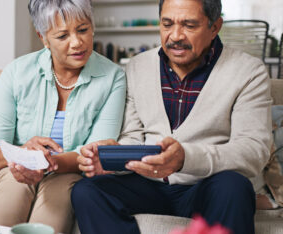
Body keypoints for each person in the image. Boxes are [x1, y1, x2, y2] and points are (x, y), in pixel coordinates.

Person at [72, 0, 272, 234]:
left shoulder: (248, 71)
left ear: (215, 27)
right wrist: (111, 158)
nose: (175, 36)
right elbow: (133, 137)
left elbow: (253, 151)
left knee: (234, 187)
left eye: (189, 25)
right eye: (167, 24)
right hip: (148, 185)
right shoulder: (137, 67)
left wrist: (185, 158)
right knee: (87, 190)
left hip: (205, 185)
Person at [0, 0, 126, 232]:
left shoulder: (113, 77)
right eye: (62, 36)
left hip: (69, 170)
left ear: (92, 26)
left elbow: (97, 153)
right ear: (43, 37)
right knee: (14, 186)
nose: (77, 43)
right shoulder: (17, 72)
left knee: (51, 211)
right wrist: (23, 157)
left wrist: (48, 162)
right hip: (12, 167)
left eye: (83, 30)